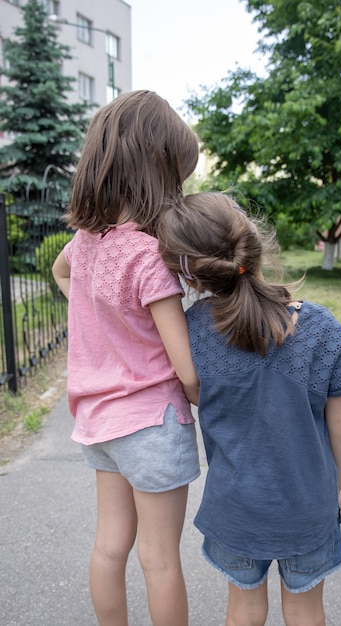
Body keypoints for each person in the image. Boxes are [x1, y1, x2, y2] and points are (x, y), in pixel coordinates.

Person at [157, 191, 341, 626]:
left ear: (191, 276)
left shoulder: (191, 331)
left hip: (235, 511)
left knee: (244, 611)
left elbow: (193, 390)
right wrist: (334, 486)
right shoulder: (322, 327)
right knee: (306, 611)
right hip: (310, 507)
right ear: (253, 243)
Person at [52, 90, 201, 626]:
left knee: (109, 548)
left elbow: (59, 273)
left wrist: (96, 316)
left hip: (99, 423)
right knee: (159, 560)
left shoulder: (87, 239)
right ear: (158, 172)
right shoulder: (147, 253)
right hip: (152, 423)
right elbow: (186, 370)